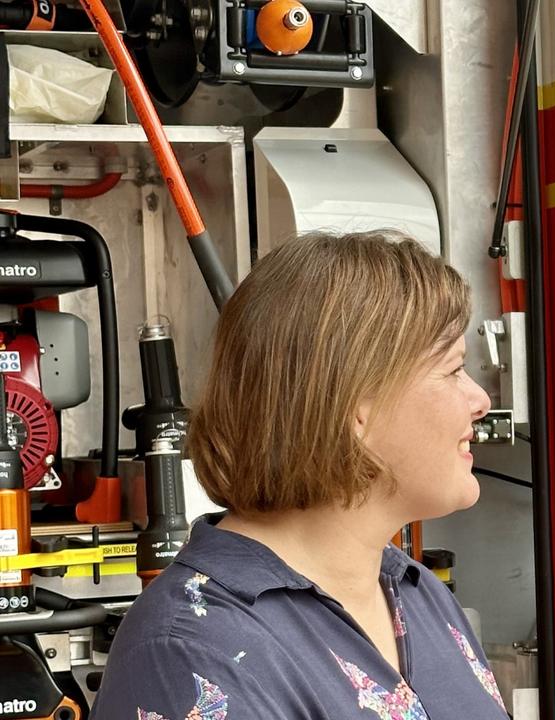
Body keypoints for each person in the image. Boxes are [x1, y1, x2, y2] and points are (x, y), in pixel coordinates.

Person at [92, 231, 507, 719]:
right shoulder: (192, 653)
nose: (480, 401)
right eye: (454, 370)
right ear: (357, 407)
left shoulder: (417, 593)